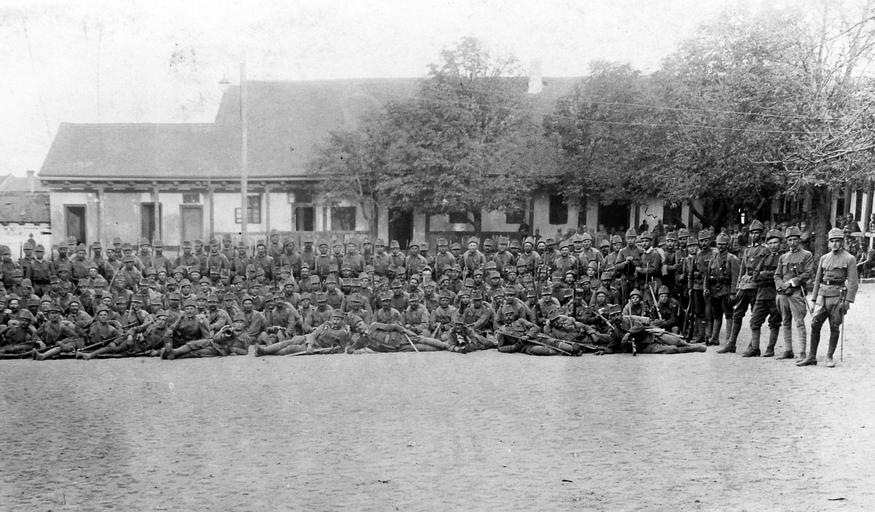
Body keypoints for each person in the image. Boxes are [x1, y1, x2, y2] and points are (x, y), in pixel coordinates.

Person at [797, 228, 859, 367]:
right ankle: (811, 356)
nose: (835, 244)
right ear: (829, 242)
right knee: (815, 324)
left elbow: (853, 282)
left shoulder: (849, 258)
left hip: (838, 297)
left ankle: (829, 357)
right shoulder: (824, 258)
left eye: (837, 241)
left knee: (834, 326)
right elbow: (817, 280)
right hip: (822, 296)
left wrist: (847, 301)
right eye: (832, 241)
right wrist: (813, 300)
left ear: (842, 242)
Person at [774, 226, 814, 360]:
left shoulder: (807, 255)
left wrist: (791, 282)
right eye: (790, 240)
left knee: (799, 322)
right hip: (783, 293)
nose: (792, 242)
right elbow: (777, 275)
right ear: (787, 241)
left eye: (795, 239)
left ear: (799, 240)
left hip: (797, 292)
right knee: (785, 321)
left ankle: (802, 352)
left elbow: (808, 273)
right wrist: (781, 285)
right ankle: (788, 350)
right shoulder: (783, 257)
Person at [742, 229, 783, 358]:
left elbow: (781, 275)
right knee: (754, 321)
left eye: (775, 243)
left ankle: (770, 348)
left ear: (780, 243)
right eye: (770, 243)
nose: (773, 246)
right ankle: (755, 348)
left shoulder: (783, 258)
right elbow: (755, 276)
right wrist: (768, 276)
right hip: (762, 294)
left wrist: (765, 275)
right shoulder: (764, 258)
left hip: (776, 295)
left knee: (774, 322)